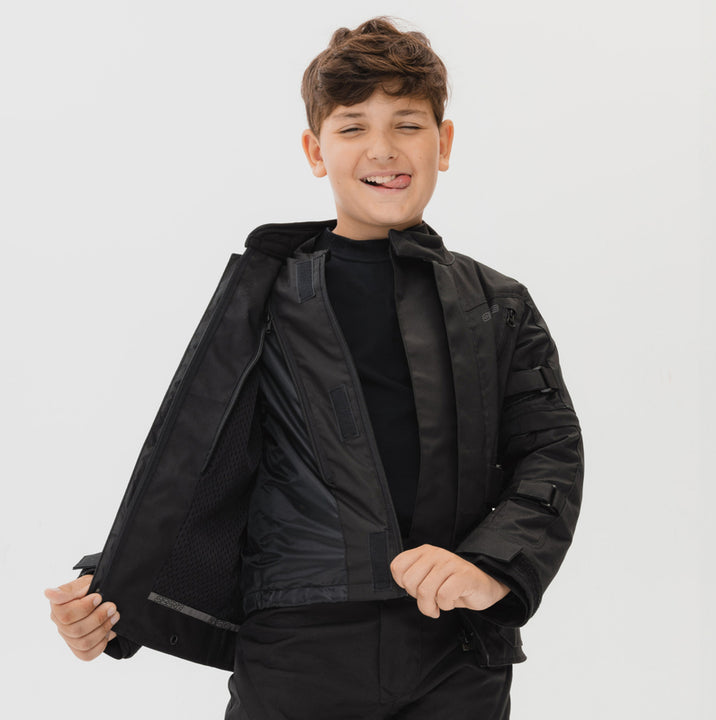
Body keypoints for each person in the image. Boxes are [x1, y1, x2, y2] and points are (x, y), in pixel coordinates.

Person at [45, 17, 583, 719]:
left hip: (456, 652)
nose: (383, 148)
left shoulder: (497, 305)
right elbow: (203, 462)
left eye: (408, 124)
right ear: (314, 150)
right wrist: (109, 592)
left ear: (444, 143)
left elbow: (550, 452)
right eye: (353, 126)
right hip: (297, 649)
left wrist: (491, 567)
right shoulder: (266, 297)